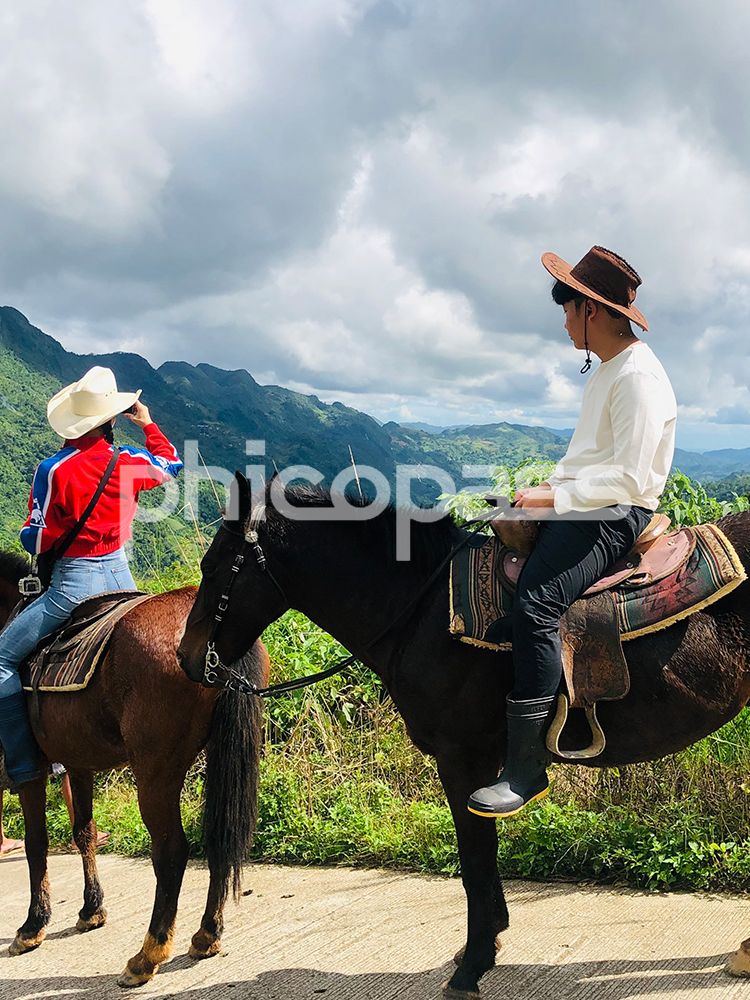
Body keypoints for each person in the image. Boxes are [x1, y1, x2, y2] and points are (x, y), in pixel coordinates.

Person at [468, 246, 677, 819]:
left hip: (614, 515)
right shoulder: (610, 372)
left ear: (593, 310)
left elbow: (630, 477)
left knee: (537, 604)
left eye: (567, 308)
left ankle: (527, 770)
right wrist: (539, 493)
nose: (563, 321)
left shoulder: (637, 377)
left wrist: (553, 498)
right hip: (588, 505)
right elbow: (586, 459)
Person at [0, 366, 183, 790]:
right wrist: (149, 424)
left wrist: (43, 529)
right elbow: (171, 465)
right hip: (122, 579)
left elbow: (37, 541)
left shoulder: (53, 470)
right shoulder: (131, 460)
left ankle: (24, 765)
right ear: (112, 419)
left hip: (73, 585)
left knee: (3, 660)